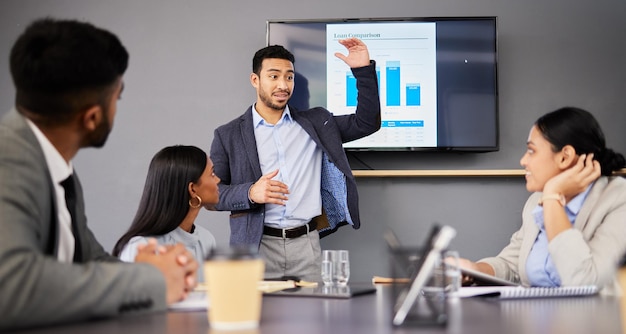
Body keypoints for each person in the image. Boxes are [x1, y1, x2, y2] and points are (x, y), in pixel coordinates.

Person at [0, 18, 197, 330]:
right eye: (116, 98)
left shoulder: (55, 165)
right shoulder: (8, 160)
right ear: (92, 117)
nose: (117, 108)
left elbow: (90, 260)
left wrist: (161, 271)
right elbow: (11, 286)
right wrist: (151, 280)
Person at [210, 38, 381, 282]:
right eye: (274, 76)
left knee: (310, 319)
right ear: (255, 80)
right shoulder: (228, 134)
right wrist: (250, 193)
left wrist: (362, 72)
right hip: (255, 247)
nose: (283, 84)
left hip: (306, 245)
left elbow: (366, 123)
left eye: (289, 77)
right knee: (257, 319)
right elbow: (212, 195)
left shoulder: (317, 122)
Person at [459, 107, 626, 294]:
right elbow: (511, 265)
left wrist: (552, 196)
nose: (523, 161)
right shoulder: (536, 201)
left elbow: (584, 281)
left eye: (531, 151)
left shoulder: (619, 199)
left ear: (565, 157)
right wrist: (474, 270)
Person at [113, 145, 220, 281]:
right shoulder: (139, 249)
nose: (218, 180)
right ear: (192, 189)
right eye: (212, 174)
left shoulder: (207, 240)